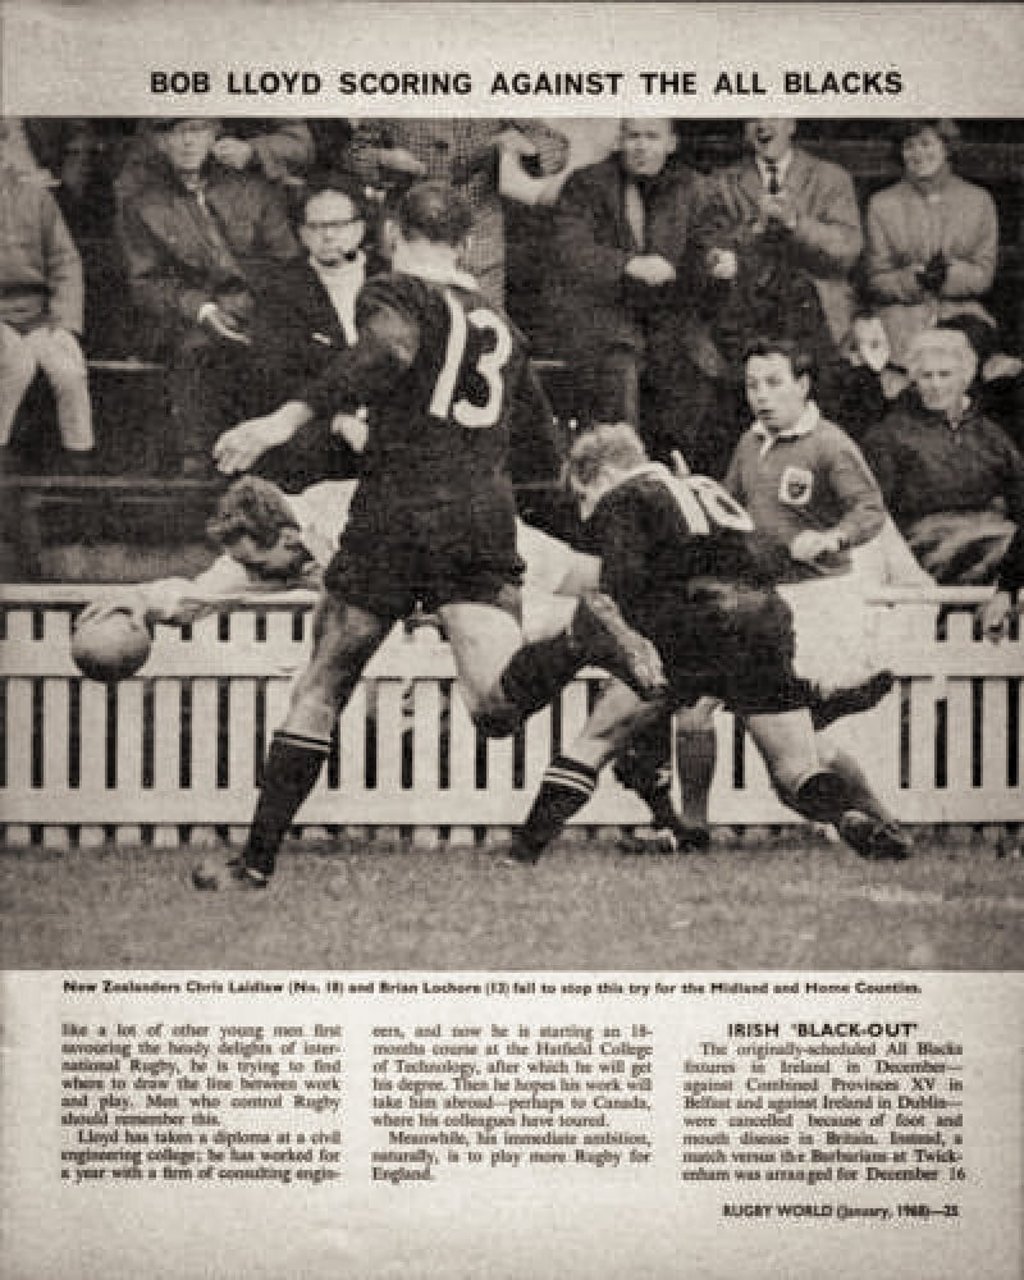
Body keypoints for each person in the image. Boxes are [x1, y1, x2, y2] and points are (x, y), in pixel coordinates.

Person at [196, 181, 666, 890]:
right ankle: (579, 639)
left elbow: (385, 350)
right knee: (494, 705)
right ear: (467, 242)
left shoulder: (394, 294)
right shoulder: (501, 324)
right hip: (481, 514)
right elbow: (537, 432)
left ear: (391, 231)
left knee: (323, 681)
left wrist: (282, 421)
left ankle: (254, 862)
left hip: (399, 507)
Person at [501, 424, 911, 866]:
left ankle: (522, 854)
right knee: (795, 769)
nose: (584, 515)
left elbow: (624, 591)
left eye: (582, 499)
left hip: (695, 623)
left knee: (597, 739)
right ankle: (848, 815)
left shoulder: (625, 497)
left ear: (599, 475)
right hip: (764, 618)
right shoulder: (701, 486)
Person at [78, 474, 588, 639]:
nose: (250, 575)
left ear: (289, 537)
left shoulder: (344, 511)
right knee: (576, 623)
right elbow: (198, 594)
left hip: (485, 542)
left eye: (257, 565)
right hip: (458, 602)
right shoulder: (257, 554)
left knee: (601, 583)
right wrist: (141, 600)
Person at [118, 117, 299, 475]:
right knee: (197, 349)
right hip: (188, 316)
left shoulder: (253, 191)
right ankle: (198, 458)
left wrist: (249, 304)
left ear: (215, 137)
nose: (187, 142)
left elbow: (286, 262)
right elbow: (145, 283)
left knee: (282, 344)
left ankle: (275, 455)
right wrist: (202, 308)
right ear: (161, 142)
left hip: (258, 303)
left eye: (198, 130)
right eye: (176, 132)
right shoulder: (142, 205)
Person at [545, 118, 720, 468]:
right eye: (633, 136)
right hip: (604, 321)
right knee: (619, 370)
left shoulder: (693, 189)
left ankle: (681, 478)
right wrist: (627, 265)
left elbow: (707, 247)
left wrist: (717, 262)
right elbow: (570, 250)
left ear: (671, 143)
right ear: (620, 140)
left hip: (668, 321)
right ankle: (624, 475)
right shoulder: (587, 184)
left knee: (696, 366)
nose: (640, 146)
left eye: (651, 137)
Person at [248, 173, 380, 487]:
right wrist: (338, 420)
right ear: (303, 235)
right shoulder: (281, 290)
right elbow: (276, 375)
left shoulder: (389, 279)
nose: (328, 236)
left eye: (338, 225)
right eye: (317, 227)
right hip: (321, 424)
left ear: (359, 229)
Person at [346, 119, 569, 306]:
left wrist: (529, 149)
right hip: (410, 235)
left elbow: (555, 147)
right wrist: (385, 159)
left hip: (479, 239)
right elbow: (354, 154)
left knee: (485, 334)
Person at [862, 327, 1024, 585]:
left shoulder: (989, 433)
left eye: (945, 374)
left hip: (992, 532)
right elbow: (874, 513)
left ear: (964, 378)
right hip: (927, 544)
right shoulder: (891, 436)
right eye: (927, 376)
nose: (936, 385)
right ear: (914, 379)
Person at [864, 119, 999, 370]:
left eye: (927, 144)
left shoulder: (979, 200)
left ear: (947, 148)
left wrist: (948, 274)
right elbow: (876, 279)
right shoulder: (882, 204)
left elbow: (984, 274)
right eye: (909, 146)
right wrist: (912, 279)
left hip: (962, 315)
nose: (918, 154)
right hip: (901, 319)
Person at [0, 147, 95, 473]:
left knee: (69, 369)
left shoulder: (35, 198)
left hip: (38, 314)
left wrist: (65, 323)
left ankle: (80, 456)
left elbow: (64, 262)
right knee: (17, 363)